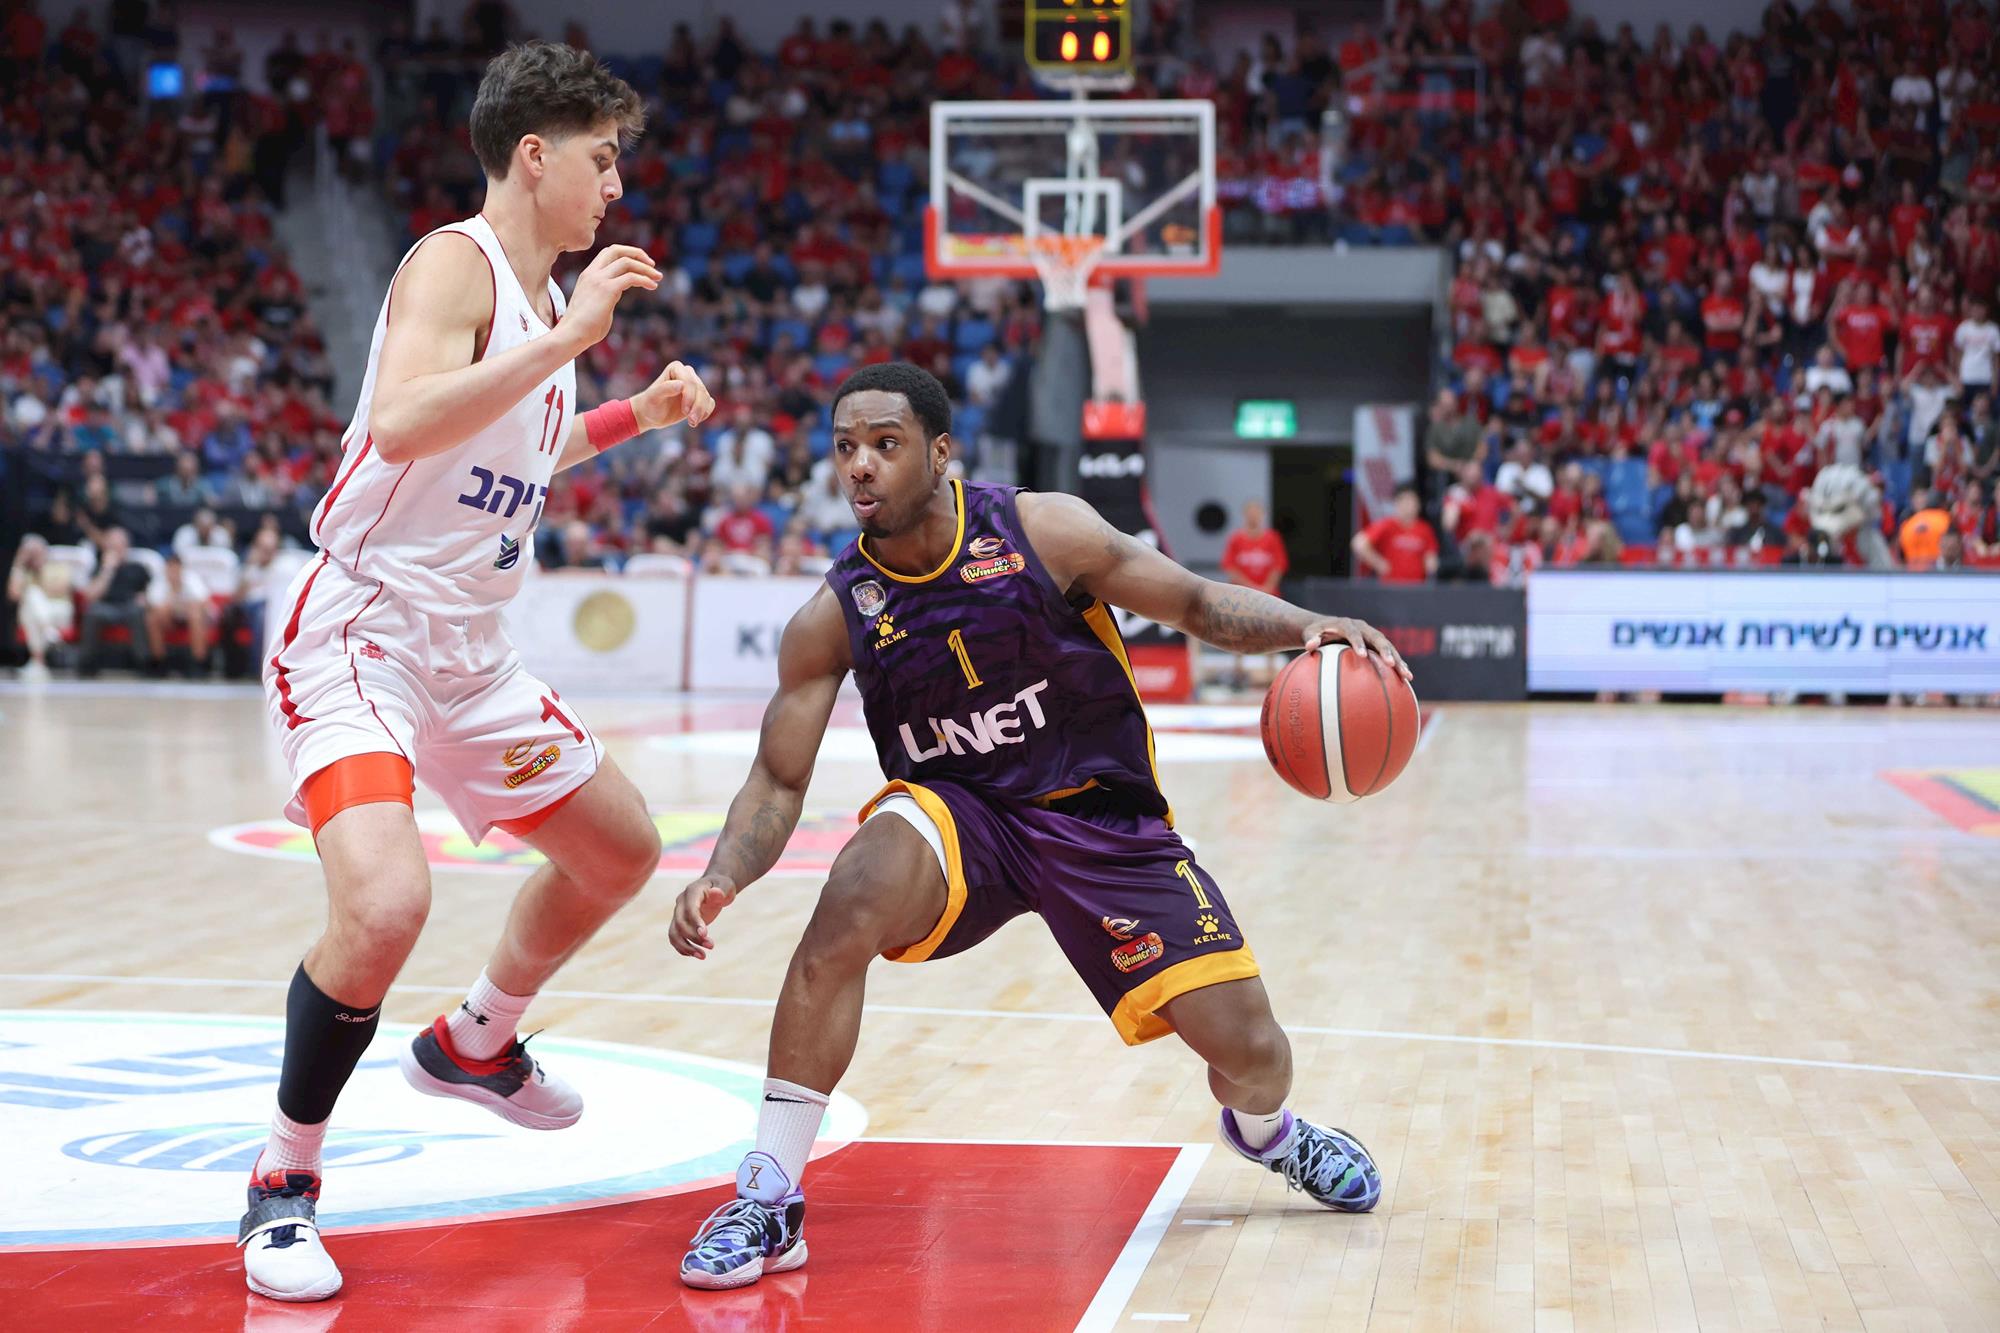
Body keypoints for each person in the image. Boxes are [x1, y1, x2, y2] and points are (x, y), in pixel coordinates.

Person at [670, 363, 1405, 1290]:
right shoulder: (834, 613)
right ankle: (769, 1195)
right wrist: (724, 872)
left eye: (885, 444)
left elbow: (1191, 602)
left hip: (1098, 817)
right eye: (846, 446)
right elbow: (780, 778)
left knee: (1254, 1055)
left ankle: (1271, 1133)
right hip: (961, 817)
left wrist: (1308, 625)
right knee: (852, 892)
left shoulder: (1044, 531)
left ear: (940, 452)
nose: (860, 464)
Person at [239, 42, 715, 1304]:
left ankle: (475, 1039)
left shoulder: (541, 314)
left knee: (618, 849)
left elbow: (512, 453)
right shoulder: (455, 264)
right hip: (365, 632)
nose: (616, 187)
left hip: (471, 652)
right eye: (602, 160)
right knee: (385, 906)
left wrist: (630, 416)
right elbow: (405, 422)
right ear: (534, 155)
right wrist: (572, 339)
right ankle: (282, 1178)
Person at [76, 527, 154, 676]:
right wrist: (107, 570)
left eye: (120, 545)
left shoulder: (137, 567)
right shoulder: (99, 567)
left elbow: (151, 593)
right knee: (92, 612)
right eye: (113, 546)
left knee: (138, 612)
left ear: (127, 546)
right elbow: (91, 596)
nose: (117, 550)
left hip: (129, 606)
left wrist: (144, 598)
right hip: (106, 606)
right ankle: (87, 662)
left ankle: (143, 661)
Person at [7, 535, 75, 679]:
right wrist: (19, 562)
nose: (34, 556)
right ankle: (47, 634)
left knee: (32, 597)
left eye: (37, 552)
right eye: (30, 553)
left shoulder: (58, 565)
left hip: (60, 610)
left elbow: (60, 590)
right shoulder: (25, 571)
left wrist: (41, 569)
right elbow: (13, 594)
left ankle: (37, 661)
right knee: (30, 604)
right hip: (38, 616)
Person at [1351, 485, 1440, 583]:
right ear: (1397, 503)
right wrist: (1378, 563)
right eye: (1406, 502)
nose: (1410, 506)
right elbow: (1359, 543)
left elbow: (1430, 557)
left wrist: (1431, 567)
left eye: (1413, 502)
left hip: (1416, 586)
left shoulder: (1424, 529)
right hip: (1391, 585)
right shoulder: (1387, 525)